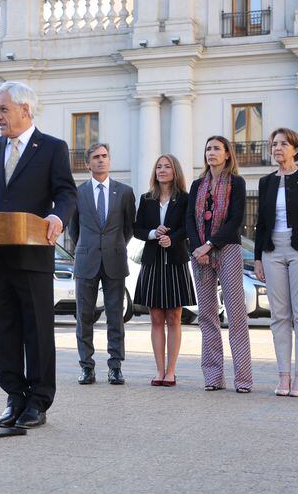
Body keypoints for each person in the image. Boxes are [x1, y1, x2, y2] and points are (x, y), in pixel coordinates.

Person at [0, 81, 76, 429]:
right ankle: (14, 396)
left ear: (25, 110)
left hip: (34, 255)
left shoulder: (52, 148)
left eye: (3, 109)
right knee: (6, 328)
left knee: (37, 330)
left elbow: (66, 193)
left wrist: (57, 216)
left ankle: (38, 400)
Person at [254, 127, 298, 398]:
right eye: (274, 144)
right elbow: (261, 224)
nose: (277, 148)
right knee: (279, 315)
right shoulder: (266, 182)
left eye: (283, 144)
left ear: (295, 149)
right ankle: (283, 375)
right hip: (273, 249)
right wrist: (259, 257)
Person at [186, 136, 252, 393]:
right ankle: (213, 376)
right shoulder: (197, 185)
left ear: (227, 154)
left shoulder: (237, 182)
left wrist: (210, 244)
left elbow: (236, 220)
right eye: (208, 149)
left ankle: (243, 379)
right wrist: (196, 248)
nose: (211, 152)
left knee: (236, 315)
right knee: (206, 315)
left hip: (228, 250)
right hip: (199, 254)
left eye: (216, 148)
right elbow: (190, 219)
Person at [69, 143, 136, 386]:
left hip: (114, 261)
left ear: (110, 160)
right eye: (96, 157)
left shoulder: (125, 192)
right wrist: (88, 247)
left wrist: (113, 245)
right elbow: (73, 228)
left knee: (115, 316)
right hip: (86, 260)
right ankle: (87, 367)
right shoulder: (78, 192)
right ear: (88, 164)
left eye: (105, 156)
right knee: (83, 316)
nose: (101, 160)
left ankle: (115, 366)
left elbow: (129, 228)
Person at [133, 154, 196, 387]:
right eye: (158, 166)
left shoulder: (185, 199)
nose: (162, 170)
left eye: (167, 166)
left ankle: (171, 371)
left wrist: (172, 238)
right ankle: (159, 371)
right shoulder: (146, 198)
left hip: (175, 261)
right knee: (156, 317)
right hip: (152, 262)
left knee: (174, 317)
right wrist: (153, 233)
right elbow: (137, 229)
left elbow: (189, 227)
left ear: (175, 171)